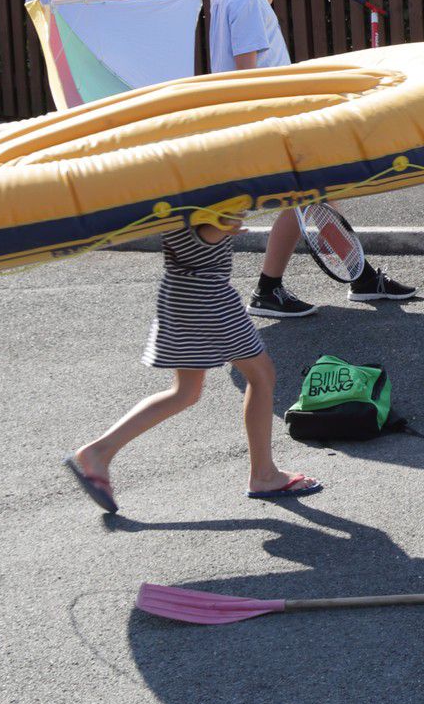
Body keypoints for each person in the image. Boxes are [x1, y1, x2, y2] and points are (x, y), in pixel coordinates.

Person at [204, 0, 418, 318]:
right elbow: (247, 71)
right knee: (307, 196)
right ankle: (272, 289)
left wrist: (265, 3)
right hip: (272, 115)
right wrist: (279, 121)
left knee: (314, 195)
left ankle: (358, 278)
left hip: (266, 114)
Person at [65, 210, 322, 512]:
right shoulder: (201, 205)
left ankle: (98, 452)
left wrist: (223, 223)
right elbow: (202, 233)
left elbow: (193, 231)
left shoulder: (174, 201)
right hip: (209, 299)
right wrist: (223, 225)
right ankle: (264, 475)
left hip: (181, 295)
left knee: (185, 393)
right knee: (261, 376)